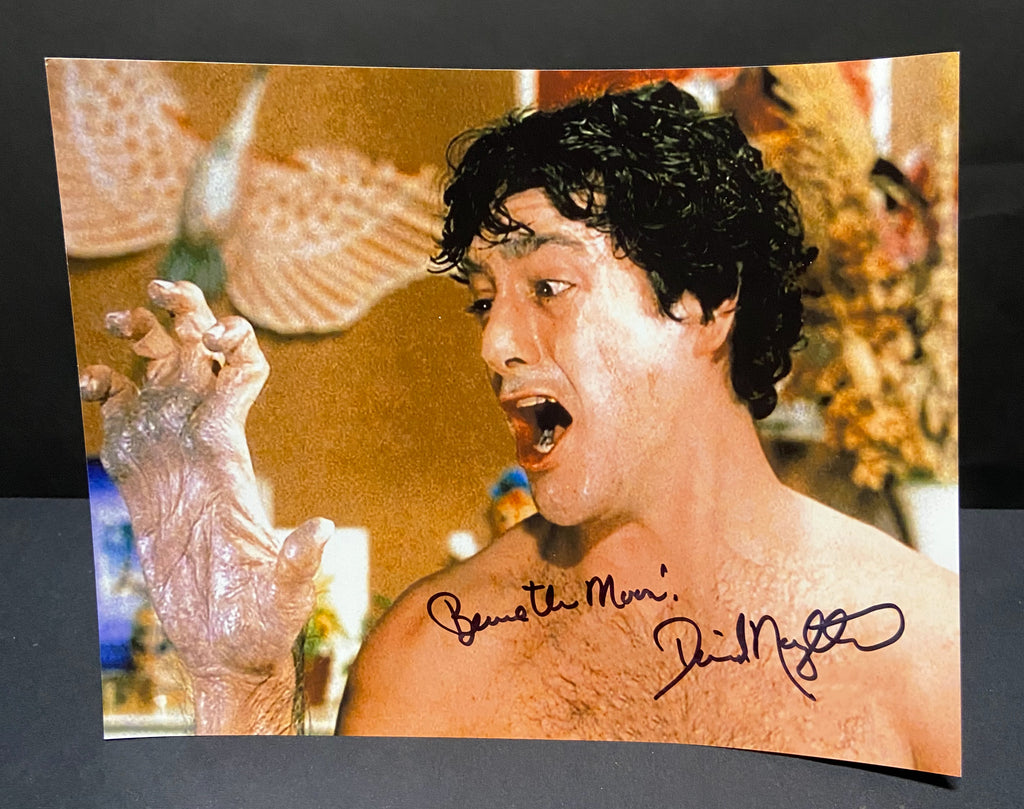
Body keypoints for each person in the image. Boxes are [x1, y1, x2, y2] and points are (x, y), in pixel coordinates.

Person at [80, 82, 960, 773]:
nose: (495, 342)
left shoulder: (929, 648)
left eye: (548, 287)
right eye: (482, 301)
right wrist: (240, 688)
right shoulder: (428, 661)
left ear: (705, 300)